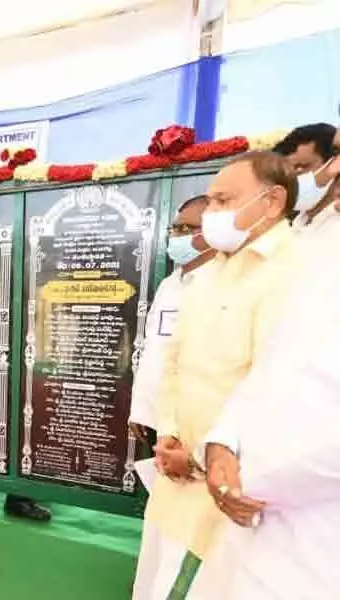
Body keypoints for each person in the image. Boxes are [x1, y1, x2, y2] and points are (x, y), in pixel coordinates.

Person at [133, 151, 299, 600]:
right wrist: (167, 433)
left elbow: (280, 389)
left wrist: (206, 458)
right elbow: (175, 361)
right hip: (176, 476)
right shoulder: (209, 273)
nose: (212, 213)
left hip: (228, 488)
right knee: (157, 581)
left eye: (223, 199)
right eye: (211, 201)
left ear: (271, 201)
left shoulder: (296, 272)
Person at [186, 201, 340, 598]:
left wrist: (243, 484)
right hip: (247, 525)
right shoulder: (320, 257)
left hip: (315, 536)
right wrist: (220, 448)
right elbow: (267, 371)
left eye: (223, 199)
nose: (336, 170)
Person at [128, 195, 215, 444]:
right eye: (174, 228)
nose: (177, 235)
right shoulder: (170, 285)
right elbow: (152, 350)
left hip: (197, 424)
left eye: (186, 228)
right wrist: (141, 409)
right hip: (157, 419)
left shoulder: (223, 282)